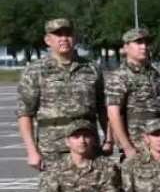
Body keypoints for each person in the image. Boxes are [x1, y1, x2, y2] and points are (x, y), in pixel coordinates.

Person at [18, 18, 107, 172]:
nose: (64, 38)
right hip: (52, 148)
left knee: (93, 185)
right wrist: (31, 151)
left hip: (87, 145)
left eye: (68, 34)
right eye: (58, 34)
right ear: (48, 40)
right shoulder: (35, 71)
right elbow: (25, 113)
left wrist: (109, 139)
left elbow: (103, 108)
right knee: (55, 188)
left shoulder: (91, 68)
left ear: (75, 38)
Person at [105, 27, 160, 158]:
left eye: (146, 43)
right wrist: (127, 147)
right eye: (138, 42)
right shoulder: (120, 76)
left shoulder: (157, 75)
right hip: (137, 147)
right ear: (126, 47)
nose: (144, 47)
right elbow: (113, 114)